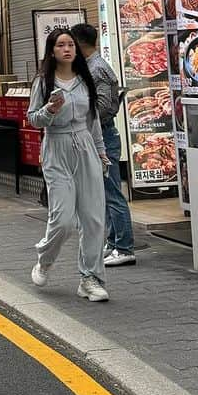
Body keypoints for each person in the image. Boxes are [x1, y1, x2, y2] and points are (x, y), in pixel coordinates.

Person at [27, 28, 110, 302]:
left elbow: (93, 120)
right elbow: (33, 120)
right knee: (62, 220)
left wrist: (101, 152)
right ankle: (45, 260)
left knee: (94, 219)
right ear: (52, 51)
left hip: (85, 147)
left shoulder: (85, 80)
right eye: (61, 45)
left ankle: (90, 278)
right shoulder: (43, 82)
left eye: (70, 44)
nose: (67, 49)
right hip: (57, 148)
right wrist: (50, 109)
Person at [72, 22, 135, 266]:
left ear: (79, 43)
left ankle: (125, 247)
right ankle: (113, 242)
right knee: (103, 193)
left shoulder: (97, 69)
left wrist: (78, 110)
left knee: (111, 193)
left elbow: (105, 107)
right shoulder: (91, 67)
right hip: (99, 134)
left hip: (104, 136)